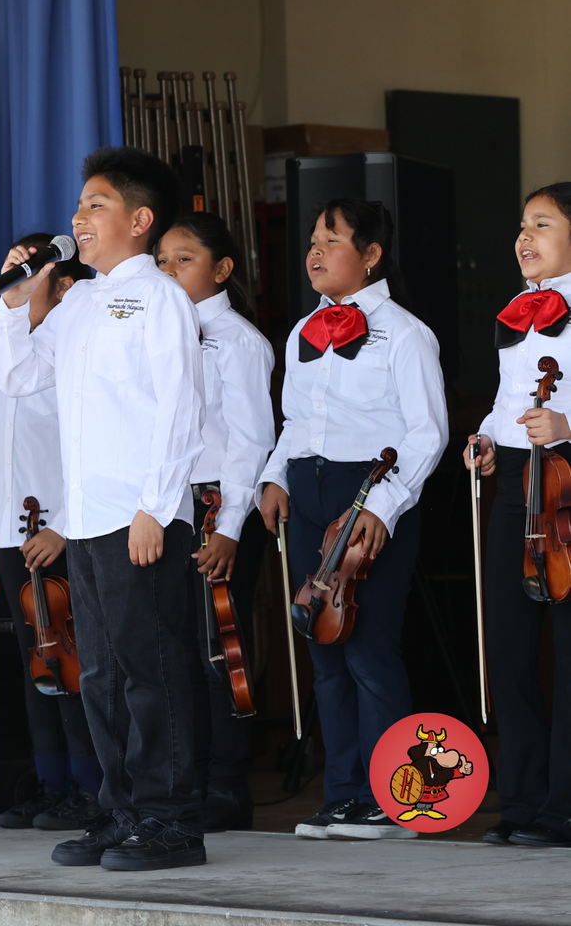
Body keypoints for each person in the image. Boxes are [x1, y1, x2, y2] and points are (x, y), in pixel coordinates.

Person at [0, 146, 206, 870]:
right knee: (103, 675)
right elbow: (21, 377)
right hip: (84, 520)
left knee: (152, 669)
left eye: (96, 205)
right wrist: (12, 305)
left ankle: (171, 820)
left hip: (137, 517)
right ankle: (123, 812)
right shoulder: (78, 300)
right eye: (80, 205)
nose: (79, 218)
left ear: (140, 221)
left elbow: (181, 406)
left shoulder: (160, 299)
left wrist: (156, 507)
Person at [258, 198, 448, 841]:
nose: (314, 250)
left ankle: (390, 800)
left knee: (368, 649)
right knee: (323, 647)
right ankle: (341, 794)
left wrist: (383, 507)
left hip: (368, 492)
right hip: (307, 490)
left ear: (370, 255)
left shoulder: (406, 333)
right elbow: (293, 422)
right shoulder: (303, 331)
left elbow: (427, 435)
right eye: (312, 239)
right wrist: (273, 476)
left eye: (331, 239)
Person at [0, 232, 103, 831]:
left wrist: (67, 531)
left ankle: (91, 788)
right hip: (12, 533)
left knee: (72, 665)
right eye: (11, 270)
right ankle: (51, 785)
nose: (17, 281)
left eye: (30, 272)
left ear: (64, 283)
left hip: (58, 534)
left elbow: (89, 451)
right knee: (37, 667)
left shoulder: (71, 352)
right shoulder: (8, 357)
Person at [155, 212, 274, 831]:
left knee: (217, 648)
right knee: (173, 652)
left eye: (184, 259)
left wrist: (229, 525)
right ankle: (189, 780)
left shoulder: (239, 340)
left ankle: (228, 785)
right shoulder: (156, 332)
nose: (169, 271)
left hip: (217, 506)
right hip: (167, 507)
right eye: (162, 261)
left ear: (222, 268)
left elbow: (252, 440)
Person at [464, 182, 571, 848]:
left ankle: (565, 806)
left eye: (542, 223)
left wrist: (568, 425)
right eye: (522, 225)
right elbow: (508, 400)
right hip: (514, 479)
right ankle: (524, 799)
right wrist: (484, 436)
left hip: (567, 477)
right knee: (506, 643)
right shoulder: (514, 311)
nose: (524, 236)